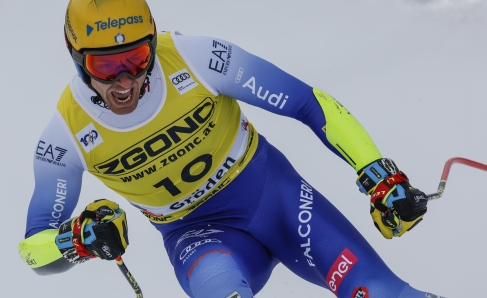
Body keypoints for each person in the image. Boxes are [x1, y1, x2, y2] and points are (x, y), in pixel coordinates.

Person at [18, 0, 444, 297]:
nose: (125, 80)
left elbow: (306, 102)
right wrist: (78, 240)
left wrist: (379, 176)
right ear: (76, 57)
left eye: (136, 58)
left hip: (275, 200)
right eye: (105, 66)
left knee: (384, 292)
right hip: (199, 237)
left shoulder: (195, 57)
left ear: (152, 43)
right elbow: (33, 251)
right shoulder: (65, 136)